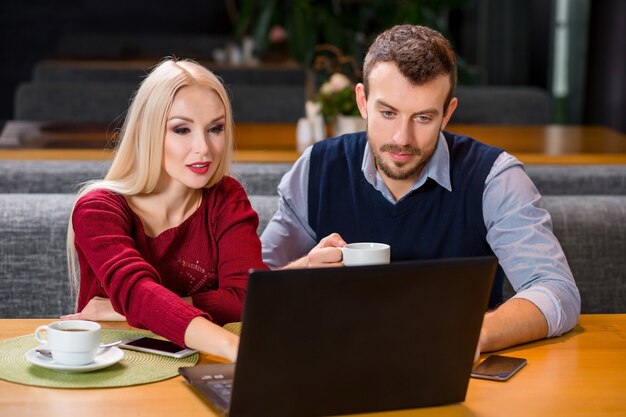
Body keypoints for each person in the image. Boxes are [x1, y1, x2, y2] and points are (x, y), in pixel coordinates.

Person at [260, 25, 580, 357]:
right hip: (334, 362)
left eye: (423, 118)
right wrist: (301, 273)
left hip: (457, 376)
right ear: (362, 101)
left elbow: (557, 291)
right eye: (387, 113)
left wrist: (473, 334)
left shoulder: (494, 177)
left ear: (448, 113)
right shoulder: (317, 168)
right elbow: (250, 286)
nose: (402, 138)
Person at [63, 59, 267, 361]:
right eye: (182, 129)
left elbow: (247, 298)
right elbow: (137, 292)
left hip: (200, 360)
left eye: (215, 128)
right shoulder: (98, 210)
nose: (204, 148)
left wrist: (123, 309)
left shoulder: (227, 198)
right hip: (112, 364)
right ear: (148, 132)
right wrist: (238, 349)